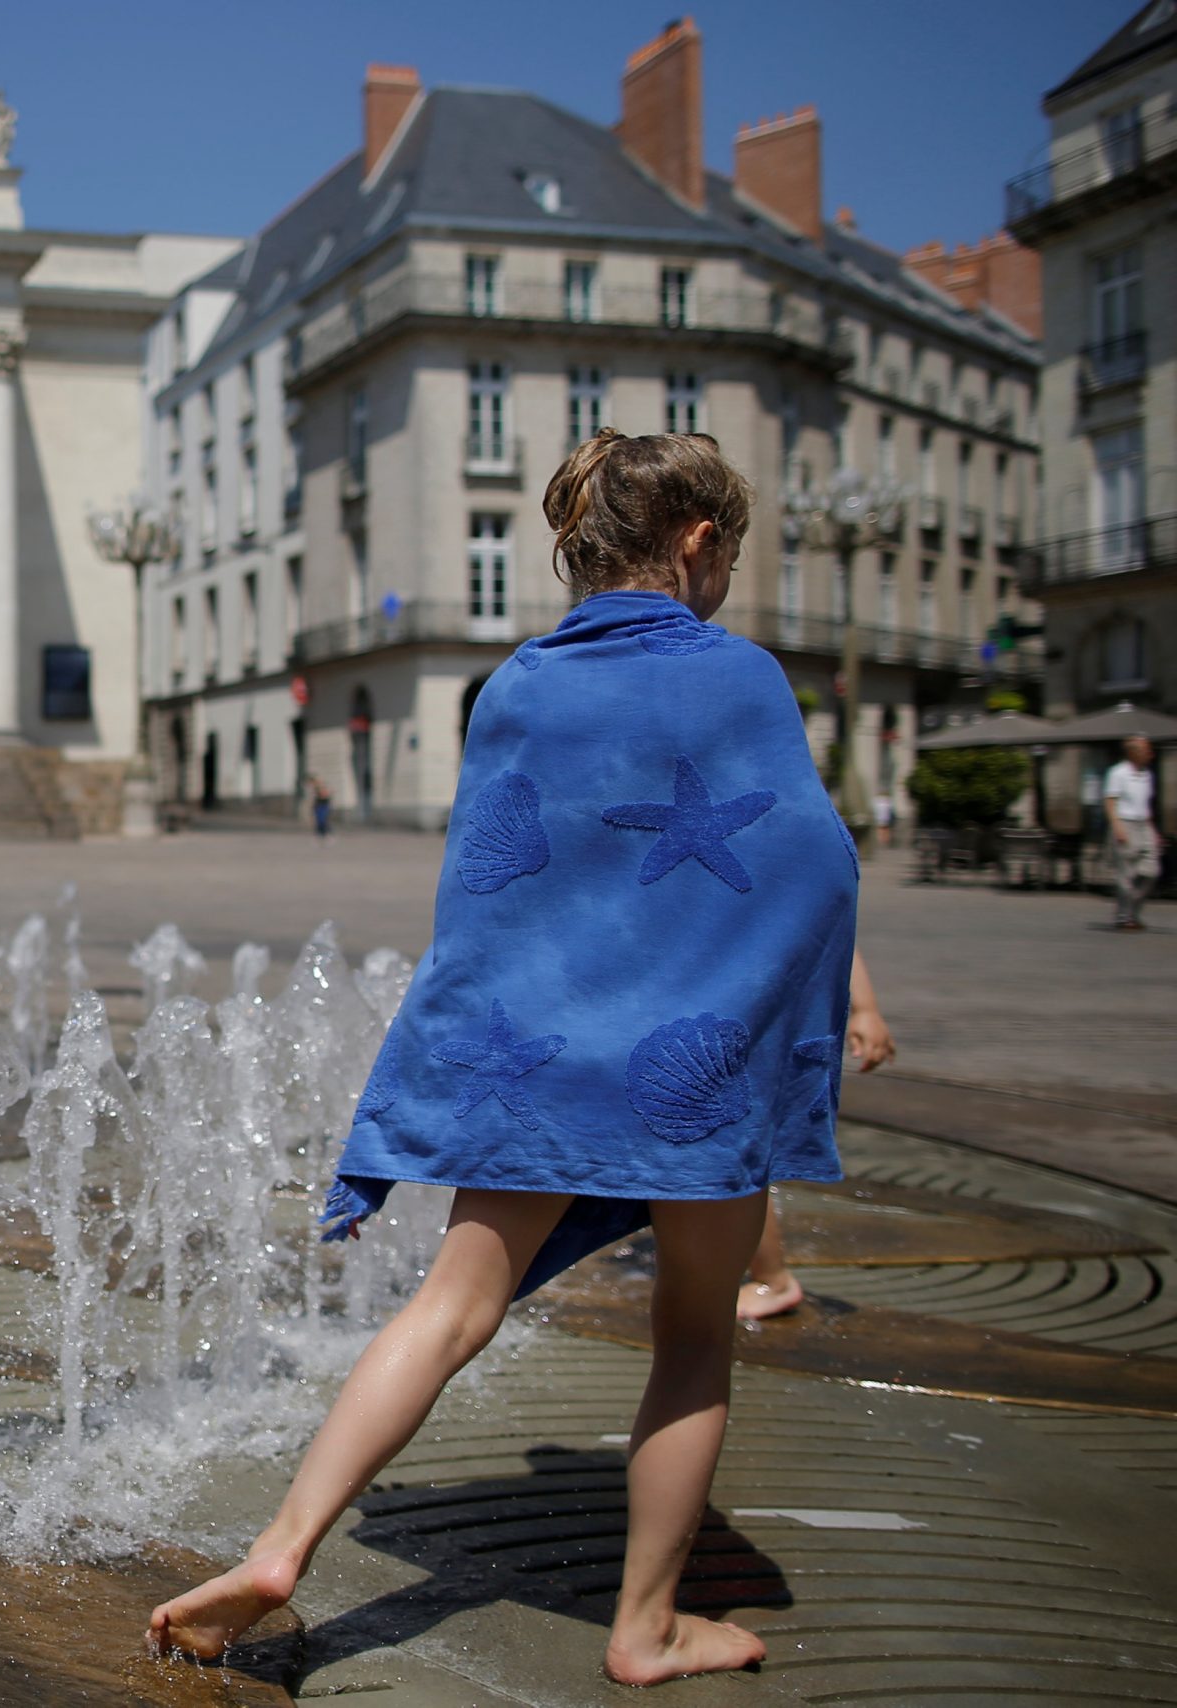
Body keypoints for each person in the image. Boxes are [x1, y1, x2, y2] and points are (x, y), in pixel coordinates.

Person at [147, 430, 856, 1687]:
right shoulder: (742, 678)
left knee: (447, 1308)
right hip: (689, 1081)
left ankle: (278, 1546)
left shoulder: (517, 684)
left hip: (540, 1066)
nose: (727, 579)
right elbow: (813, 865)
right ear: (698, 543)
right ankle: (645, 1626)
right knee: (694, 1335)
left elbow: (491, 892)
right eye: (730, 557)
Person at [737, 948, 894, 1320]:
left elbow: (836, 925)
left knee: (729, 1154)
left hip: (740, 1013)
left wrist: (865, 1009)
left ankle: (772, 1279)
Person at [1106, 735, 1161, 931]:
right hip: (1125, 822)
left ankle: (1130, 909)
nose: (1150, 754)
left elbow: (1145, 804)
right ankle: (1126, 917)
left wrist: (1153, 830)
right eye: (1147, 750)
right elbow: (1110, 802)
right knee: (1126, 875)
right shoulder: (1118, 772)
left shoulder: (1147, 774)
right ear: (1133, 753)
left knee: (1152, 871)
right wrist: (1117, 826)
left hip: (1143, 824)